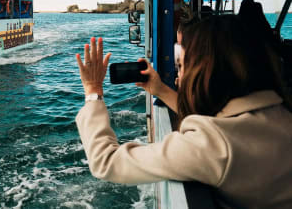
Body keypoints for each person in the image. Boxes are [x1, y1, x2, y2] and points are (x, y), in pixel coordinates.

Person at [75, 16, 292, 208]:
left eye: (181, 66)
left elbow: (107, 162)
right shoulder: (282, 115)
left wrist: (93, 92)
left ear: (207, 71)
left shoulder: (213, 144)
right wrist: (159, 89)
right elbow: (221, 118)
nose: (178, 78)